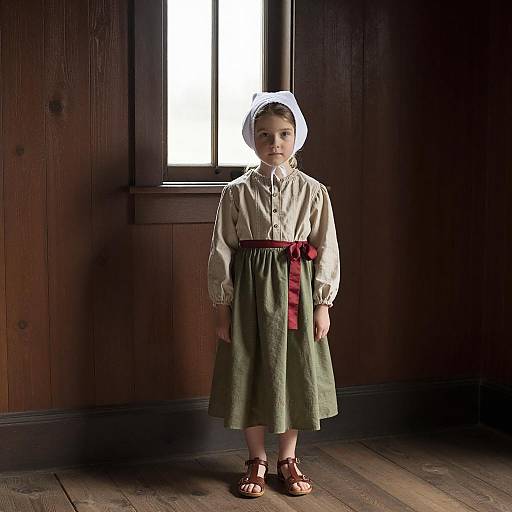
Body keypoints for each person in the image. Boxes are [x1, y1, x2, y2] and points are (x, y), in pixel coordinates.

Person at [207, 90, 341, 498]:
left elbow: (327, 247)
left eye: (284, 134)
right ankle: (256, 457)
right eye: (265, 135)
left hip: (296, 292)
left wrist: (322, 303)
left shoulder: (314, 191)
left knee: (294, 370)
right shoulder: (236, 192)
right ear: (253, 138)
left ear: (296, 137)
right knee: (250, 368)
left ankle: (287, 456)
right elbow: (221, 249)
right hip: (250, 295)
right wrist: (223, 306)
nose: (275, 143)